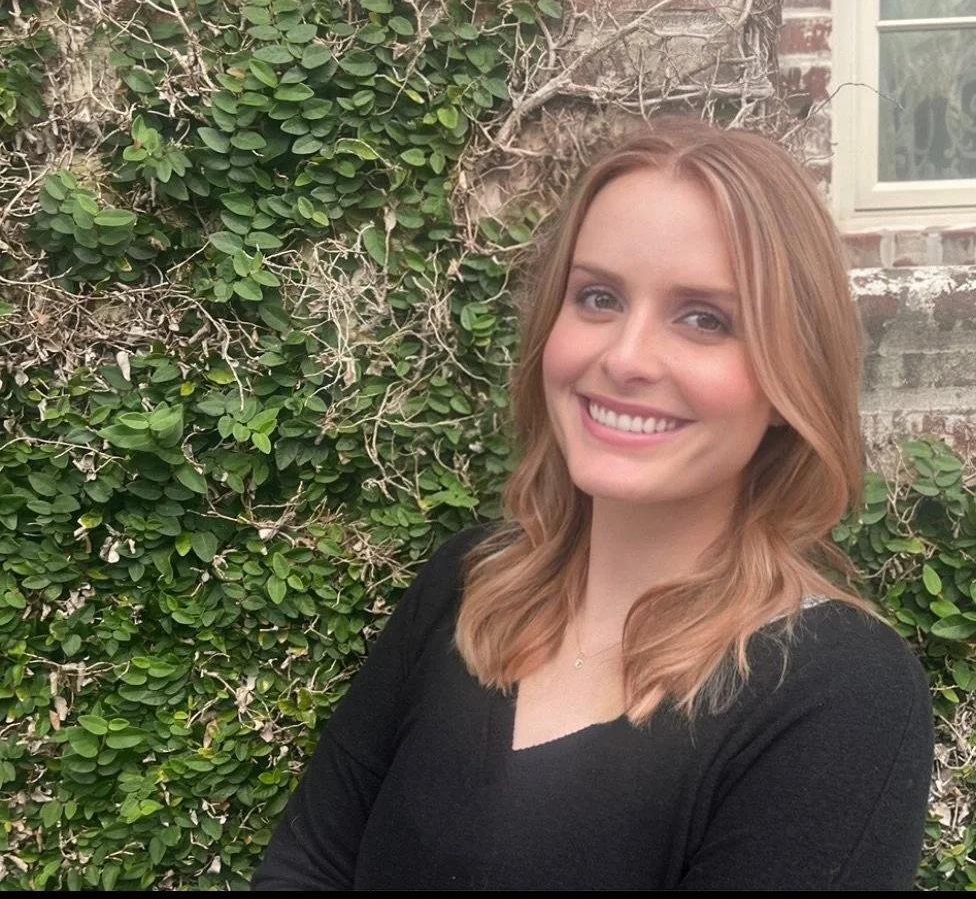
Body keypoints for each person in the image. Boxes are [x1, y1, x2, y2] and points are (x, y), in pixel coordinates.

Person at [251, 116, 934, 891]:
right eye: (599, 297)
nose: (625, 357)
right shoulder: (471, 587)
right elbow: (309, 862)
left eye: (704, 318)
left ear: (791, 380)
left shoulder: (840, 700)